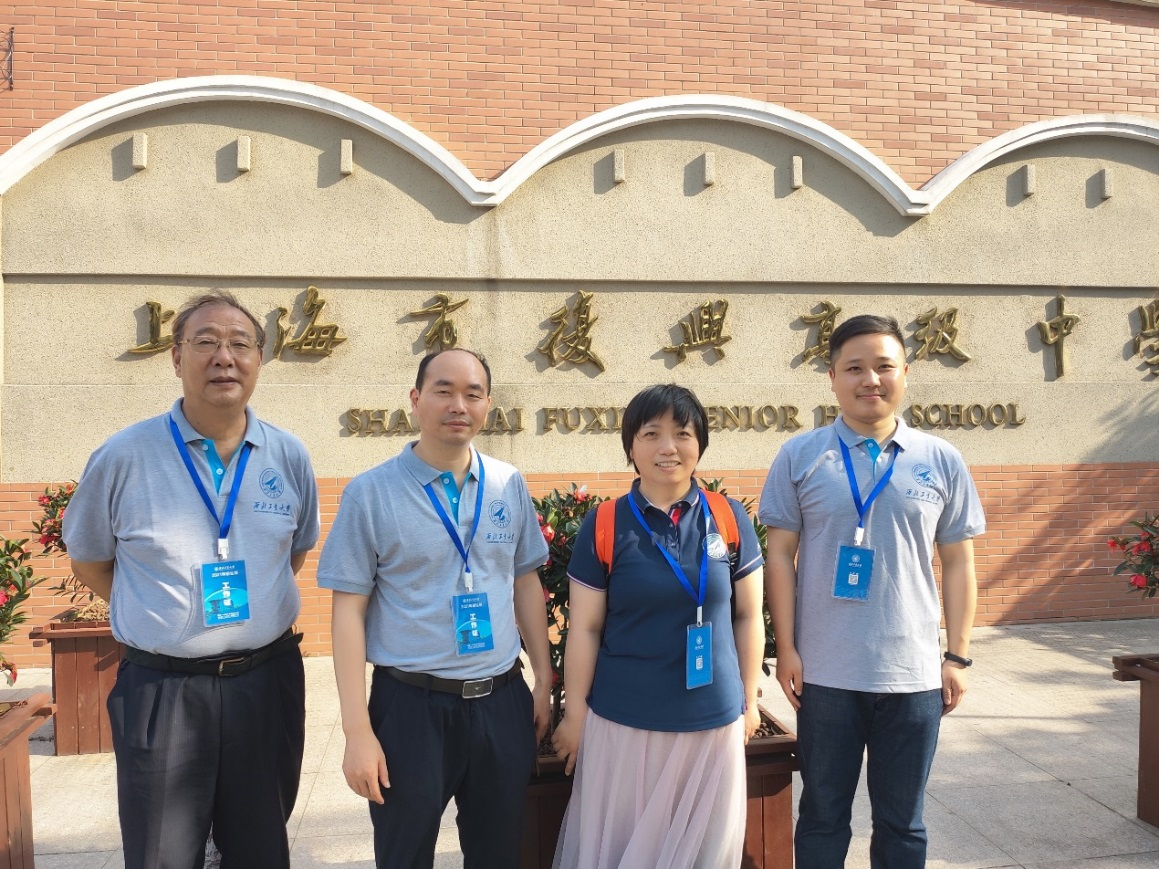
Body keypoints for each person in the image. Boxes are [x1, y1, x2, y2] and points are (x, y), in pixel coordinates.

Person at [63, 290, 321, 869]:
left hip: (266, 683)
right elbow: (90, 561)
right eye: (205, 342)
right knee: (162, 853)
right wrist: (159, 610)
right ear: (177, 358)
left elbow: (293, 553)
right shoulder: (123, 456)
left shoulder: (288, 455)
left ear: (259, 359)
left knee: (261, 849)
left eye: (240, 343)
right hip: (163, 690)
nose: (224, 357)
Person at [759, 314, 984, 868]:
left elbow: (958, 562)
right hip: (826, 674)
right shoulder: (800, 455)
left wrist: (957, 656)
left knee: (903, 823)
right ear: (832, 377)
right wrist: (786, 648)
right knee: (822, 815)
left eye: (884, 366)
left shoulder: (940, 459)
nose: (870, 380)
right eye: (854, 368)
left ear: (905, 373)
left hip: (913, 676)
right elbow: (779, 557)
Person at [317, 347, 551, 869]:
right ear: (416, 398)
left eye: (473, 394)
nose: (458, 405)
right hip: (411, 708)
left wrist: (543, 678)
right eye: (443, 391)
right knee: (404, 854)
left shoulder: (507, 483)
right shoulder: (370, 493)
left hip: (501, 700)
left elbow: (524, 580)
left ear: (488, 404)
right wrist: (357, 731)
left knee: (499, 854)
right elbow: (348, 612)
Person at [551, 383, 765, 869]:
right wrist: (575, 714)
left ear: (700, 443)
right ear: (631, 446)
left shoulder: (727, 517)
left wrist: (749, 700)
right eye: (651, 434)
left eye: (682, 433)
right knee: (625, 851)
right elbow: (585, 628)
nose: (668, 447)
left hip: (712, 722)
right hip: (625, 724)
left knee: (703, 855)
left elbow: (748, 615)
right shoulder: (606, 523)